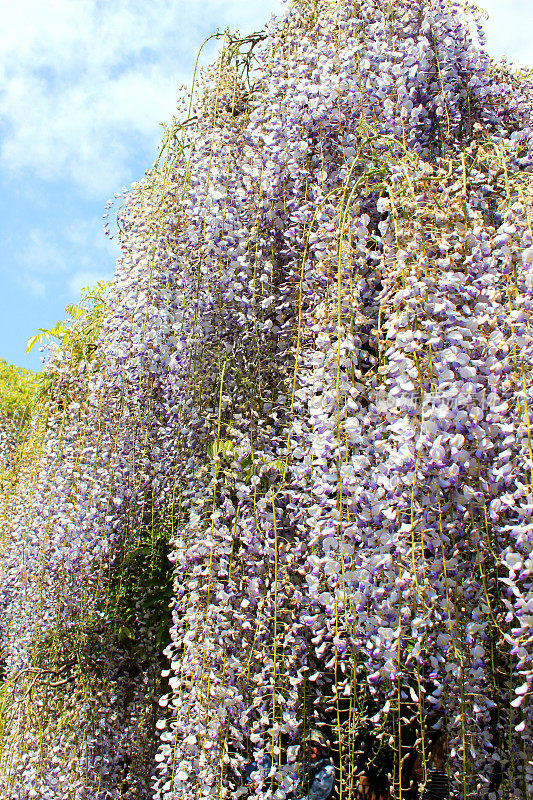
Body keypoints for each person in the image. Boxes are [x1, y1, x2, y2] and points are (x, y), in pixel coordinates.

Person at [296, 729, 336, 800]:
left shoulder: (328, 770)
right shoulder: (303, 768)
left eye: (313, 745)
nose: (309, 748)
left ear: (322, 748)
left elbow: (318, 795)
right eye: (307, 745)